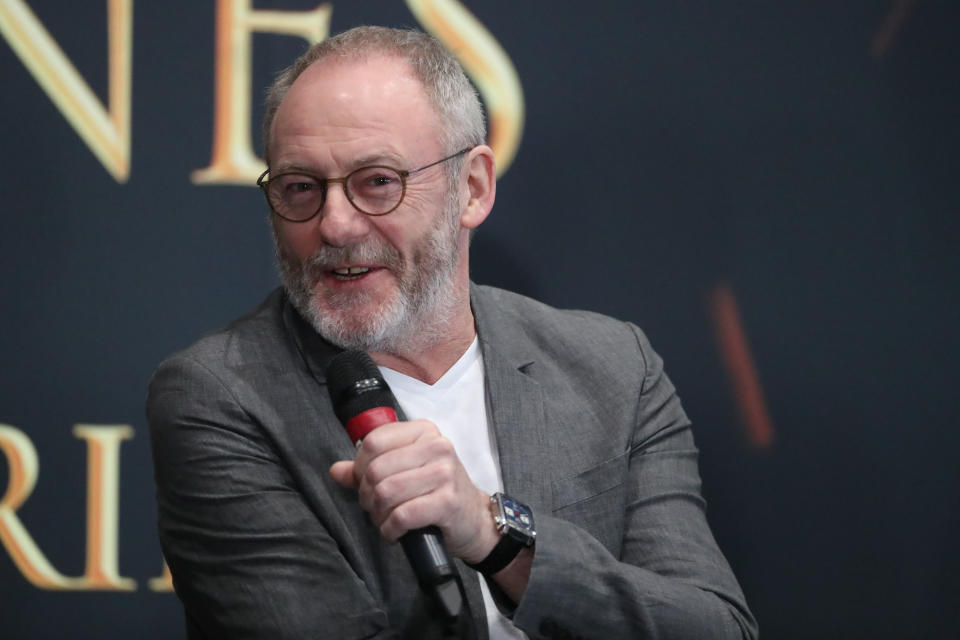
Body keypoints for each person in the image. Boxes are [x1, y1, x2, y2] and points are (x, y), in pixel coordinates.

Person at [147, 25, 758, 640]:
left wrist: (495, 535)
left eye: (377, 181)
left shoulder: (613, 367)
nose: (334, 225)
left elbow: (714, 628)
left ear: (472, 188)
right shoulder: (222, 396)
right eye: (300, 188)